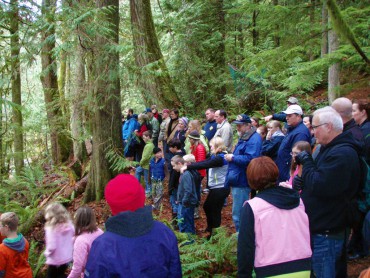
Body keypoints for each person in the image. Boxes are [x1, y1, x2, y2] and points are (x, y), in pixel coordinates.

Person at [294, 106, 362, 277]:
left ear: (328, 126)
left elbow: (320, 184)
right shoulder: (328, 148)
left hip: (328, 230)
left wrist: (307, 160)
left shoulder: (343, 153)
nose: (312, 132)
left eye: (315, 127)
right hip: (323, 225)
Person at [84, 174, 182, 277]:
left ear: (111, 205)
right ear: (142, 197)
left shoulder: (102, 247)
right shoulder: (165, 233)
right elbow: (175, 273)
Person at [238, 156, 312, 277]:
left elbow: (245, 248)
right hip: (303, 267)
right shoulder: (298, 200)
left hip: (271, 270)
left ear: (251, 180)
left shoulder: (253, 207)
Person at [182, 137, 230, 238]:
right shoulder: (215, 156)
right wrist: (191, 164)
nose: (210, 147)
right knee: (208, 207)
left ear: (217, 146)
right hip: (216, 188)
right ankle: (211, 228)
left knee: (214, 210)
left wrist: (188, 166)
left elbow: (206, 164)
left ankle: (214, 233)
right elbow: (204, 161)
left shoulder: (221, 158)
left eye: (211, 145)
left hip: (221, 188)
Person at [224, 114, 262, 232]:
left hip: (242, 180)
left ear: (248, 125)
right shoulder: (245, 136)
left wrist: (233, 158)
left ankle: (241, 241)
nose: (237, 128)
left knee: (239, 214)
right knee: (238, 212)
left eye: (240, 126)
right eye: (237, 126)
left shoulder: (253, 139)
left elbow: (251, 158)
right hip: (238, 178)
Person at [275, 104, 311, 182]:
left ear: (298, 116)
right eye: (286, 115)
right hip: (283, 170)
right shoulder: (292, 129)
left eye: (290, 115)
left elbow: (297, 157)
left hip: (288, 174)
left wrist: (291, 176)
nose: (287, 118)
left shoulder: (300, 133)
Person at [67, 207, 103, 278]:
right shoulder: (100, 231)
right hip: (102, 270)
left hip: (90, 273)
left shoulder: (81, 241)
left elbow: (77, 268)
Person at [44, 203, 74, 278]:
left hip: (55, 260)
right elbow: (74, 236)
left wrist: (47, 253)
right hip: (67, 257)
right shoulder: (69, 225)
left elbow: (52, 246)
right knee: (61, 274)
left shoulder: (51, 228)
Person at [171, 155, 200, 235]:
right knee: (184, 221)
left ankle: (189, 240)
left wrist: (184, 201)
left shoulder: (186, 174)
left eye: (174, 166)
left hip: (187, 203)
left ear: (179, 163)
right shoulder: (183, 173)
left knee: (185, 222)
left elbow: (188, 190)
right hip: (183, 202)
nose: (173, 168)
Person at [0, 212, 32, 278]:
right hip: (27, 275)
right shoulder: (25, 241)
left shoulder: (2, 249)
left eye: (0, 225)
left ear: (6, 227)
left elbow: (1, 272)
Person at [167, 139, 186, 227]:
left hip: (175, 186)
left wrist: (170, 188)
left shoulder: (177, 159)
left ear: (175, 147)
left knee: (175, 204)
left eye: (170, 147)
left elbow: (174, 176)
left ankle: (176, 223)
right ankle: (177, 222)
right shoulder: (182, 155)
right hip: (178, 186)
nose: (169, 149)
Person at [135, 130, 154, 196]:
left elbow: (145, 157)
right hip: (144, 165)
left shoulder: (149, 146)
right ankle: (136, 187)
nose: (143, 139)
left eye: (144, 137)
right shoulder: (149, 145)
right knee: (137, 171)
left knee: (147, 179)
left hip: (146, 165)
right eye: (142, 138)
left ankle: (149, 192)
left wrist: (140, 163)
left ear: (148, 137)